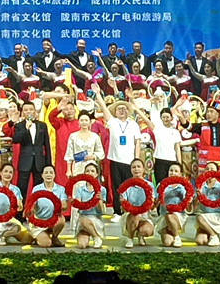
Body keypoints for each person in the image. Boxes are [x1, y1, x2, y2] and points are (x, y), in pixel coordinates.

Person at [92, 84, 141, 223]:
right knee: (117, 187)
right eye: (119, 109)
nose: (121, 111)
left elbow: (137, 142)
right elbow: (104, 108)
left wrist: (136, 159)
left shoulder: (133, 125)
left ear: (128, 111)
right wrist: (98, 94)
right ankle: (117, 211)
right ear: (115, 111)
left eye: (124, 108)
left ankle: (130, 209)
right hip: (115, 159)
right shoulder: (112, 122)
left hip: (130, 161)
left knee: (130, 186)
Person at [176, 98, 220, 174]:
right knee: (204, 179)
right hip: (205, 159)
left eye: (211, 112)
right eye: (208, 112)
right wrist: (180, 117)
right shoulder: (202, 126)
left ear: (218, 114)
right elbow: (189, 127)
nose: (208, 114)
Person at [0, 163, 32, 246]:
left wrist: (19, 204)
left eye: (10, 172)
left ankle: (2, 236)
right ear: (1, 173)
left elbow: (19, 203)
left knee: (28, 240)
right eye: (5, 171)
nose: (8, 174)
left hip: (9, 220)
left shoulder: (15, 189)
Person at [12, 101, 52, 201]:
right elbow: (15, 139)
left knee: (39, 188)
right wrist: (26, 129)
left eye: (31, 109)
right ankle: (20, 210)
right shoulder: (19, 126)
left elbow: (47, 145)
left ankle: (38, 208)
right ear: (22, 112)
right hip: (25, 161)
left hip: (39, 161)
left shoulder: (42, 125)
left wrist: (48, 163)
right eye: (26, 110)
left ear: (35, 111)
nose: (28, 111)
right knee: (22, 187)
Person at [27, 165, 68, 248]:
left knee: (61, 220)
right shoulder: (36, 188)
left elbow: (64, 205)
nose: (48, 175)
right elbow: (32, 204)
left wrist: (61, 206)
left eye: (51, 173)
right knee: (46, 244)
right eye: (46, 173)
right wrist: (31, 210)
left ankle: (54, 237)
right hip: (39, 222)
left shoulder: (61, 189)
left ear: (54, 175)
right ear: (42, 175)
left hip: (52, 221)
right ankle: (38, 236)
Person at [120, 158, 156, 248]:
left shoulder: (150, 185)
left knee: (147, 230)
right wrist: (122, 203)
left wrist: (154, 202)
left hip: (145, 215)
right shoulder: (126, 185)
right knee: (135, 215)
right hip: (130, 215)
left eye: (139, 167)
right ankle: (130, 238)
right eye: (134, 167)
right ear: (131, 170)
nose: (136, 169)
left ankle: (140, 235)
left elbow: (152, 208)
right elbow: (123, 208)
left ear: (143, 169)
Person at [72, 163, 107, 249]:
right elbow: (79, 205)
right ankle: (87, 233)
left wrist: (99, 199)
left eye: (92, 171)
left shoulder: (102, 189)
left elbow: (101, 210)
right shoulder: (80, 189)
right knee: (82, 245)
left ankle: (96, 237)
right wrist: (75, 202)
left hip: (95, 218)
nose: (90, 173)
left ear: (96, 174)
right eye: (87, 171)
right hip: (83, 217)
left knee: (84, 221)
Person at [48, 96, 79, 188]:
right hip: (62, 157)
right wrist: (58, 108)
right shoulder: (60, 123)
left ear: (75, 111)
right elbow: (51, 117)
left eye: (71, 109)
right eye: (66, 109)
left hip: (77, 157)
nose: (69, 111)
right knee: (62, 180)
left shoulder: (80, 123)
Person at [195, 162, 220, 247]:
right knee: (200, 241)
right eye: (207, 169)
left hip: (217, 216)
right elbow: (194, 205)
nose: (209, 171)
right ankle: (213, 234)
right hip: (205, 216)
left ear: (217, 172)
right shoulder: (200, 186)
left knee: (199, 217)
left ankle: (213, 236)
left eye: (212, 169)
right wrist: (198, 197)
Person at [156, 163, 188, 247]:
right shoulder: (161, 185)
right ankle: (170, 232)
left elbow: (187, 203)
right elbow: (154, 205)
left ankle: (177, 237)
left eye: (176, 171)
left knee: (169, 215)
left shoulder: (183, 187)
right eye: (171, 170)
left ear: (180, 174)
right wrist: (156, 201)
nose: (173, 173)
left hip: (177, 216)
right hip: (164, 216)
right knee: (167, 243)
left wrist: (189, 199)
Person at [64, 111, 105, 178]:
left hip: (91, 167)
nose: (84, 122)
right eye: (82, 120)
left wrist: (93, 156)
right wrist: (68, 170)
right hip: (77, 167)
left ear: (90, 122)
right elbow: (69, 154)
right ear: (78, 122)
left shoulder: (95, 136)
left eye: (86, 120)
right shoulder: (73, 136)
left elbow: (101, 153)